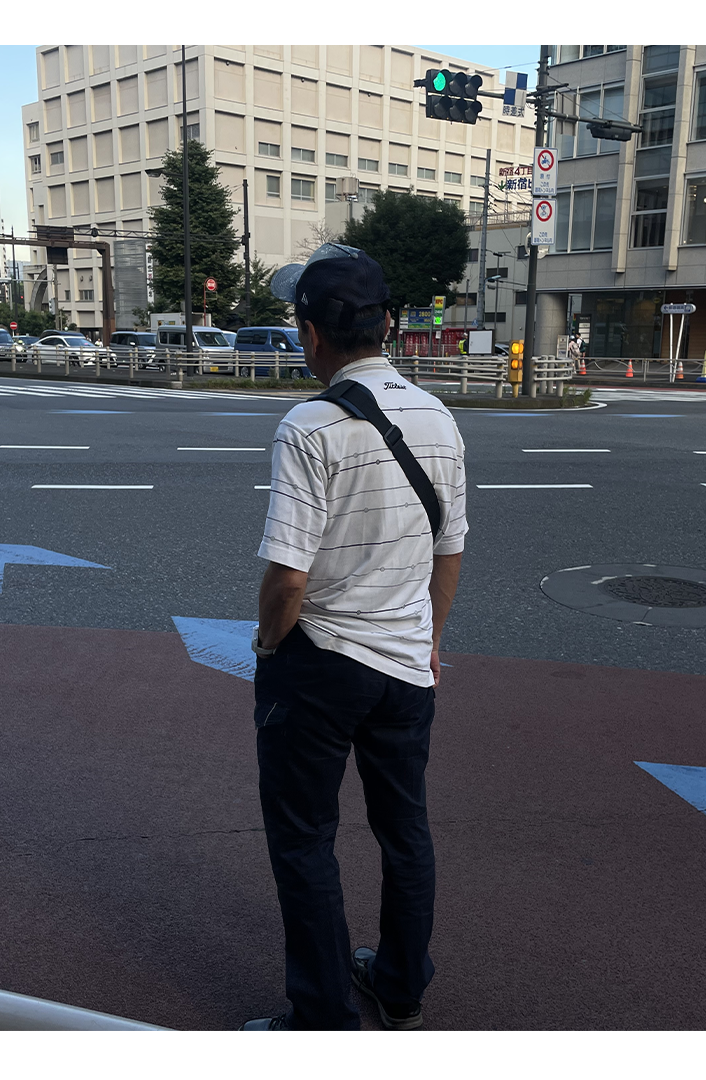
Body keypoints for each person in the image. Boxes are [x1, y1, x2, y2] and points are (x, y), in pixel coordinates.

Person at [241, 242, 469, 1032]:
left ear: (310, 333)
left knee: (305, 839)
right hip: (408, 664)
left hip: (322, 661)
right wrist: (429, 638)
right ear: (389, 325)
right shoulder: (438, 416)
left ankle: (322, 1023)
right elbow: (449, 548)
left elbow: (288, 577)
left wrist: (269, 646)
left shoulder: (309, 425)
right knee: (405, 830)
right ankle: (400, 987)